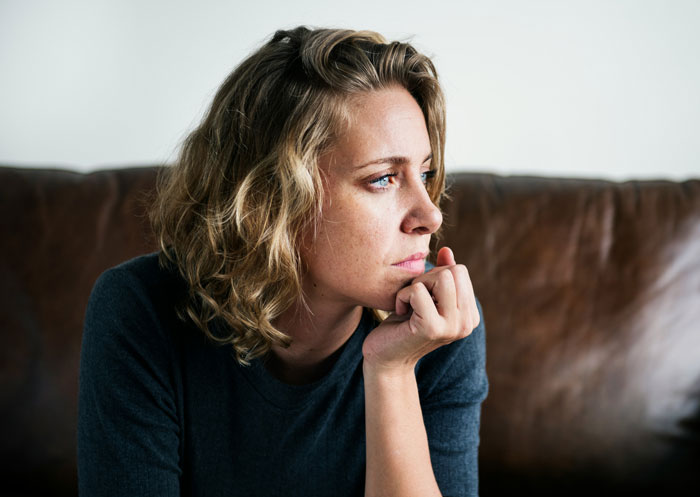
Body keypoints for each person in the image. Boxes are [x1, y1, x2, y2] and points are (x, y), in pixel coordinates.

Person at [77, 26, 487, 497]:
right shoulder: (139, 311)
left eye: (427, 172)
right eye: (382, 179)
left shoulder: (441, 327)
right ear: (274, 199)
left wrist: (391, 372)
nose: (430, 214)